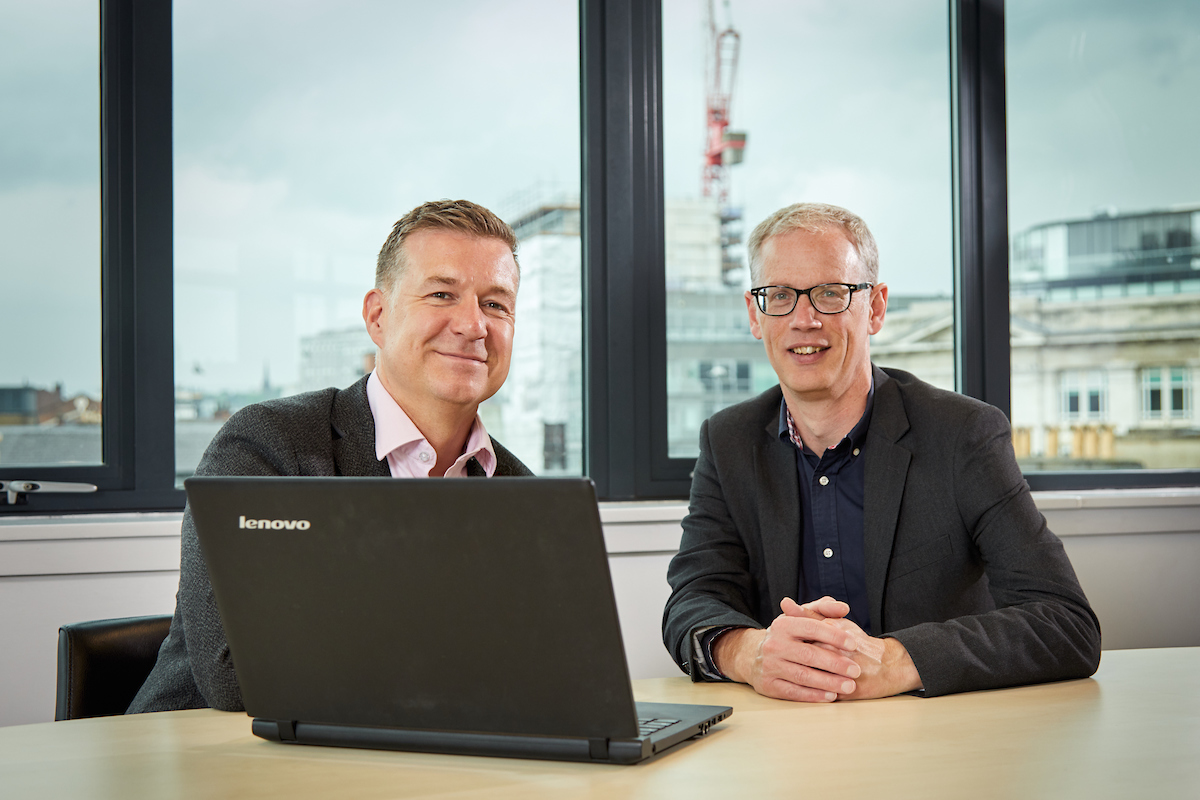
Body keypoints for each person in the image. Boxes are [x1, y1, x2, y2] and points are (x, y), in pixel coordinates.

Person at [662, 202, 1100, 702]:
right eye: (779, 296)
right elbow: (693, 600)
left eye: (830, 294)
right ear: (755, 315)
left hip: (939, 744)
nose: (804, 320)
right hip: (783, 747)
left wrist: (898, 660)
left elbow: (1067, 625)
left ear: (874, 308)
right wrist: (749, 652)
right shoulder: (728, 440)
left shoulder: (964, 434)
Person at [130, 199, 534, 713]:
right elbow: (240, 676)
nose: (473, 324)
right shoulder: (268, 445)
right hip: (207, 765)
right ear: (378, 317)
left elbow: (540, 670)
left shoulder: (522, 489)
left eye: (496, 304)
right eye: (441, 294)